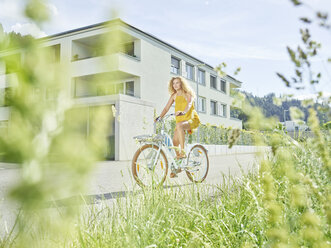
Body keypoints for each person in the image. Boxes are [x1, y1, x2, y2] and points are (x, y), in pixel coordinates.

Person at [155, 76, 201, 176]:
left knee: (179, 126)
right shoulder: (174, 96)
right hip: (180, 121)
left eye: (177, 83)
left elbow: (189, 105)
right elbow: (166, 108)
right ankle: (178, 166)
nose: (175, 85)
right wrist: (160, 117)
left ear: (182, 84)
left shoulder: (188, 94)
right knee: (174, 143)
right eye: (174, 83)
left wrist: (183, 112)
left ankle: (183, 152)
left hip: (191, 119)